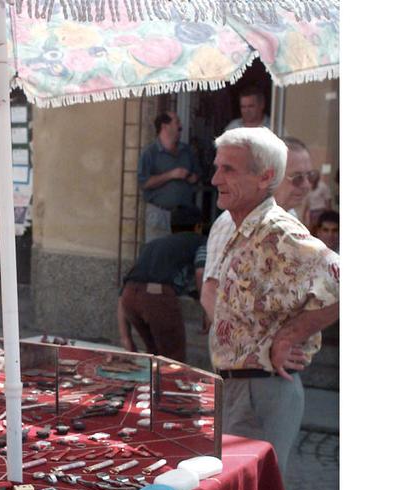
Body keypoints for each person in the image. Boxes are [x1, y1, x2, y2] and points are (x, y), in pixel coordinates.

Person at [205, 127, 340, 490]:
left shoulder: (277, 230)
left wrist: (289, 337)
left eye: (228, 169)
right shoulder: (239, 228)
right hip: (241, 388)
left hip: (263, 390)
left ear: (265, 177)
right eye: (216, 166)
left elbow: (341, 282)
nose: (214, 178)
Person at [200, 135, 319, 319]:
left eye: (311, 176)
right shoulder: (232, 221)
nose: (306, 185)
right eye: (297, 178)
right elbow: (210, 293)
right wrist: (245, 344)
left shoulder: (290, 217)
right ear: (271, 176)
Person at [117, 206, 205, 362]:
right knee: (173, 359)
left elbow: (124, 290)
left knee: (155, 354)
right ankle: (168, 385)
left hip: (128, 297)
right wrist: (206, 310)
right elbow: (201, 272)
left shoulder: (153, 245)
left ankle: (152, 385)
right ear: (198, 226)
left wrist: (126, 338)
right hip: (157, 297)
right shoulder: (199, 241)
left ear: (172, 226)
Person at [138, 111, 201, 242]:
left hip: (184, 216)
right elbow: (144, 183)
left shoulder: (187, 151)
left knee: (182, 256)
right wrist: (171, 175)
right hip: (159, 214)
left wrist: (192, 177)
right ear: (165, 126)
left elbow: (197, 176)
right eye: (177, 122)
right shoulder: (150, 153)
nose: (180, 126)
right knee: (158, 255)